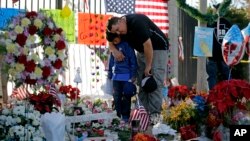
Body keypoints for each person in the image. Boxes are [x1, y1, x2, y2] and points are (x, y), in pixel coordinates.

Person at [106, 14, 169, 124]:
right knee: (142, 82)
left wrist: (148, 66)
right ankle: (143, 115)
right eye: (115, 32)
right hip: (141, 51)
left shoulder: (137, 22)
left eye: (117, 30)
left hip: (157, 48)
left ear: (121, 21)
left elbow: (148, 45)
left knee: (153, 82)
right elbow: (110, 39)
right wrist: (114, 50)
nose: (118, 33)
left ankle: (155, 117)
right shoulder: (119, 29)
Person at [106, 31, 138, 122]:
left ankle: (125, 117)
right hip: (116, 77)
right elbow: (111, 61)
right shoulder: (113, 48)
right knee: (116, 97)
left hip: (127, 77)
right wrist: (110, 74)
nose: (115, 42)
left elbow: (133, 60)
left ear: (120, 36)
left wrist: (133, 75)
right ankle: (117, 116)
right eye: (113, 41)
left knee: (126, 97)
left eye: (116, 40)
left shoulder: (127, 46)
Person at [206, 17, 232, 90]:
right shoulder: (227, 22)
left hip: (211, 53)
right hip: (224, 54)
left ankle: (213, 96)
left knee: (212, 76)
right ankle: (231, 93)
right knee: (227, 75)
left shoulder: (210, 22)